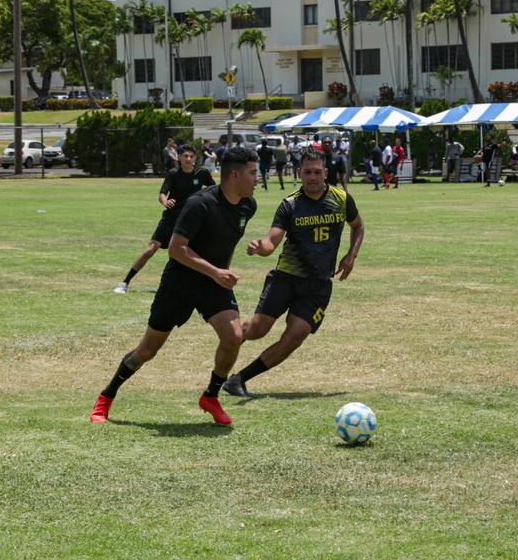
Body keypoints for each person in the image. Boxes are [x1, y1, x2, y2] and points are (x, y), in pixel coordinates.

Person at [91, 147, 260, 426]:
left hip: (212, 284)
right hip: (178, 284)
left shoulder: (247, 206)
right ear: (235, 175)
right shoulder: (200, 204)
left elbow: (227, 243)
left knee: (233, 337)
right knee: (146, 351)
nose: (258, 178)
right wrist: (216, 271)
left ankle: (210, 396)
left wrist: (222, 272)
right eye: (253, 173)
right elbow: (176, 249)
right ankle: (106, 397)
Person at [223, 148, 365, 397]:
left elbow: (358, 225)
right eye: (307, 172)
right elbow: (271, 242)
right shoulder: (290, 205)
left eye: (317, 172)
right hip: (286, 279)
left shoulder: (341, 199)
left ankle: (238, 380)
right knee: (258, 330)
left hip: (318, 285)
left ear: (326, 173)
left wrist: (351, 256)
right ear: (299, 173)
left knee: (294, 337)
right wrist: (261, 248)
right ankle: (230, 343)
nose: (312, 177)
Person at [113, 144, 216, 294]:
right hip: (171, 218)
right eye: (185, 156)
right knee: (150, 249)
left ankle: (205, 285)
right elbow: (162, 193)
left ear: (195, 158)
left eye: (191, 156)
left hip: (191, 220)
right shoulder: (173, 174)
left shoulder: (202, 173)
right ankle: (125, 282)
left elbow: (213, 190)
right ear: (179, 157)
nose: (188, 159)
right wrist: (165, 202)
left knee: (196, 253)